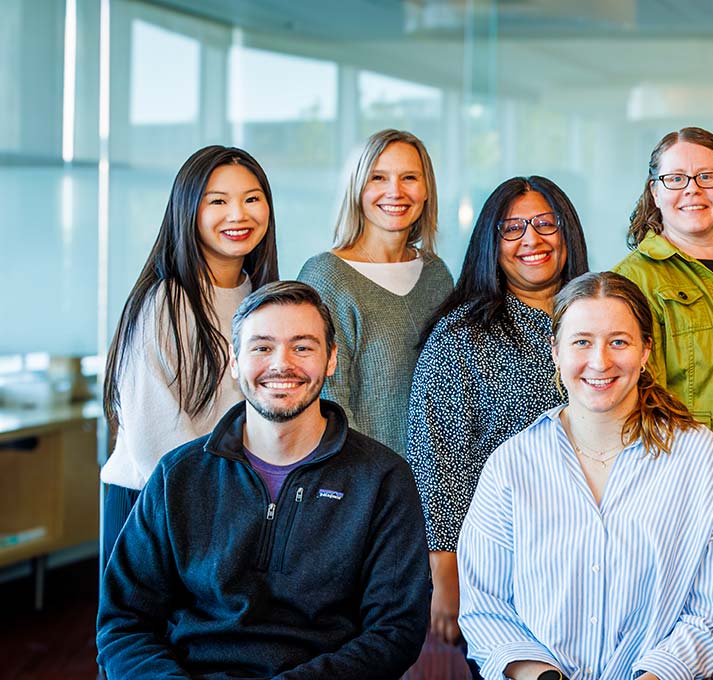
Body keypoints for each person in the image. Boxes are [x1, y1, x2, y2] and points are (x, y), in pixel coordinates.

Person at [98, 281, 430, 679]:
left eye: (303, 347)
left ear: (331, 360)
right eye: (262, 347)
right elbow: (124, 622)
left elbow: (395, 632)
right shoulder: (178, 475)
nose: (281, 364)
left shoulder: (382, 479)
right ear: (235, 362)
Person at [460, 272, 713, 680]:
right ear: (556, 351)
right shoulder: (512, 464)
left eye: (619, 341)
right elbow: (486, 608)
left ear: (646, 350)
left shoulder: (701, 460)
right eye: (582, 342)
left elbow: (711, 620)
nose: (600, 361)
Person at [610, 127, 713, 675]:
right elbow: (622, 400)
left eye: (707, 176)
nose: (693, 189)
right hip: (678, 497)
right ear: (654, 192)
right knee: (672, 658)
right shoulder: (632, 279)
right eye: (676, 178)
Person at [406, 176, 592, 650]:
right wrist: (445, 577)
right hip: (501, 564)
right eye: (512, 229)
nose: (532, 239)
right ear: (491, 243)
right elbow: (437, 462)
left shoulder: (601, 321)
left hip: (599, 556)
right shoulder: (461, 337)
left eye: (546, 224)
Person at [100, 144, 279, 565]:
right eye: (218, 201)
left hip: (223, 505)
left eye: (252, 199)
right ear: (188, 211)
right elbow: (153, 436)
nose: (239, 215)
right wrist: (218, 509)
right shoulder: (165, 300)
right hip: (155, 500)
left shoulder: (261, 300)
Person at [297, 129, 454, 456]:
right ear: (358, 189)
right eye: (378, 178)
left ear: (426, 190)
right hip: (366, 485)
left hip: (437, 483)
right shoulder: (327, 276)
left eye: (409, 177)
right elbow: (328, 401)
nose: (395, 192)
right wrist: (372, 483)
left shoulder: (437, 275)